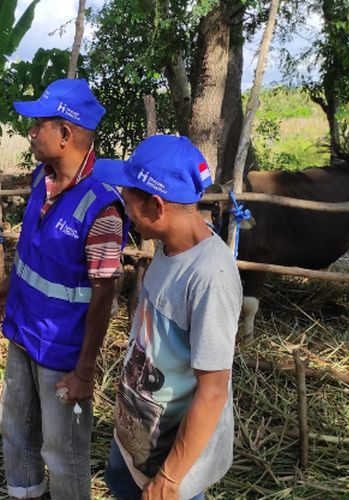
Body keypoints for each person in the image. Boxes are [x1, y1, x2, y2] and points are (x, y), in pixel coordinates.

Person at [0, 79, 129, 500]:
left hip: (63, 353)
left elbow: (103, 296)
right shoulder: (39, 180)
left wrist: (85, 372)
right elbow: (35, 255)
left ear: (65, 135)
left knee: (63, 450)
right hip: (24, 332)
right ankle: (26, 493)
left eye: (38, 124)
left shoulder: (101, 209)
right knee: (16, 426)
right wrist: (8, 287)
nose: (30, 132)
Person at [92, 135, 242, 500]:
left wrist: (170, 479)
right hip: (138, 433)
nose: (125, 213)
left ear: (157, 206)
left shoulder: (210, 277)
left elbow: (212, 391)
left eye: (128, 204)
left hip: (170, 458)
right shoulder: (167, 247)